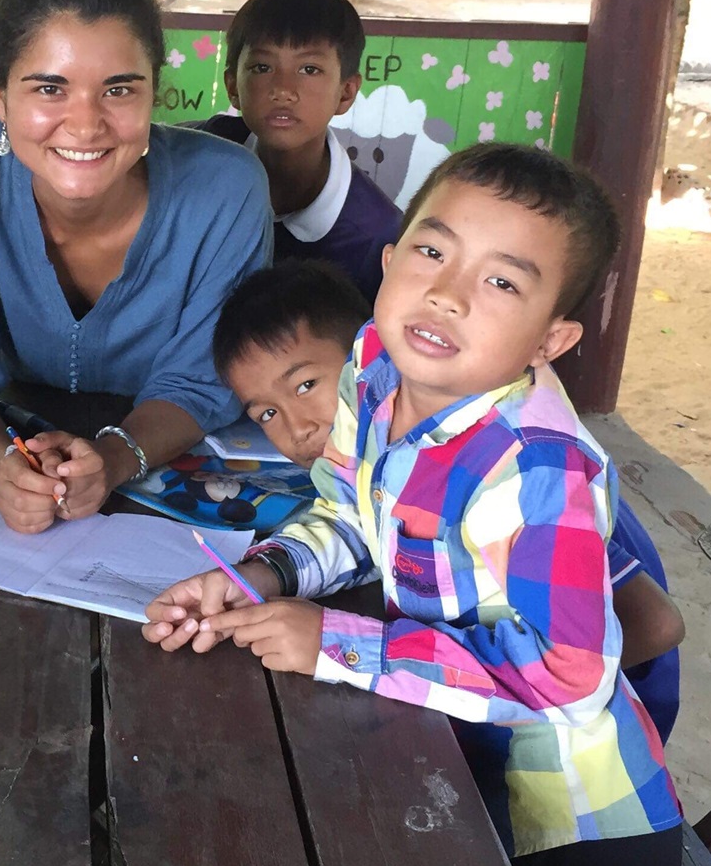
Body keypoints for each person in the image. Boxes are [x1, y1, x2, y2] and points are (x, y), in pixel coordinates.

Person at [145, 144, 683, 866]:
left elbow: (566, 674)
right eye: (433, 254)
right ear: (389, 260)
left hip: (579, 831)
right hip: (456, 766)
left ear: (551, 339)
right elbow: (354, 514)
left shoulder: (538, 466)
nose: (449, 295)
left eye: (503, 283)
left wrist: (343, 645)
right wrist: (259, 580)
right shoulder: (376, 367)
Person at [193, 258, 683, 740]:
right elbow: (358, 529)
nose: (297, 427)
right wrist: (263, 573)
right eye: (267, 414)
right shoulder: (386, 458)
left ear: (374, 363)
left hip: (592, 739)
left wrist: (371, 649)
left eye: (306, 386)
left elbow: (653, 625)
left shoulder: (525, 474)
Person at [0, 0, 271, 534]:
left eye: (119, 89)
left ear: (154, 90)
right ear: (0, 93)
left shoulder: (226, 189)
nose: (85, 123)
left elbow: (202, 382)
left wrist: (115, 459)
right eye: (49, 88)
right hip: (0, 471)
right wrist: (7, 468)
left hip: (164, 479)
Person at [201, 0, 401, 304]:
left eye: (309, 69)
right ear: (232, 86)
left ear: (346, 92)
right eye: (262, 67)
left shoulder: (376, 237)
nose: (283, 89)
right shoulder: (200, 156)